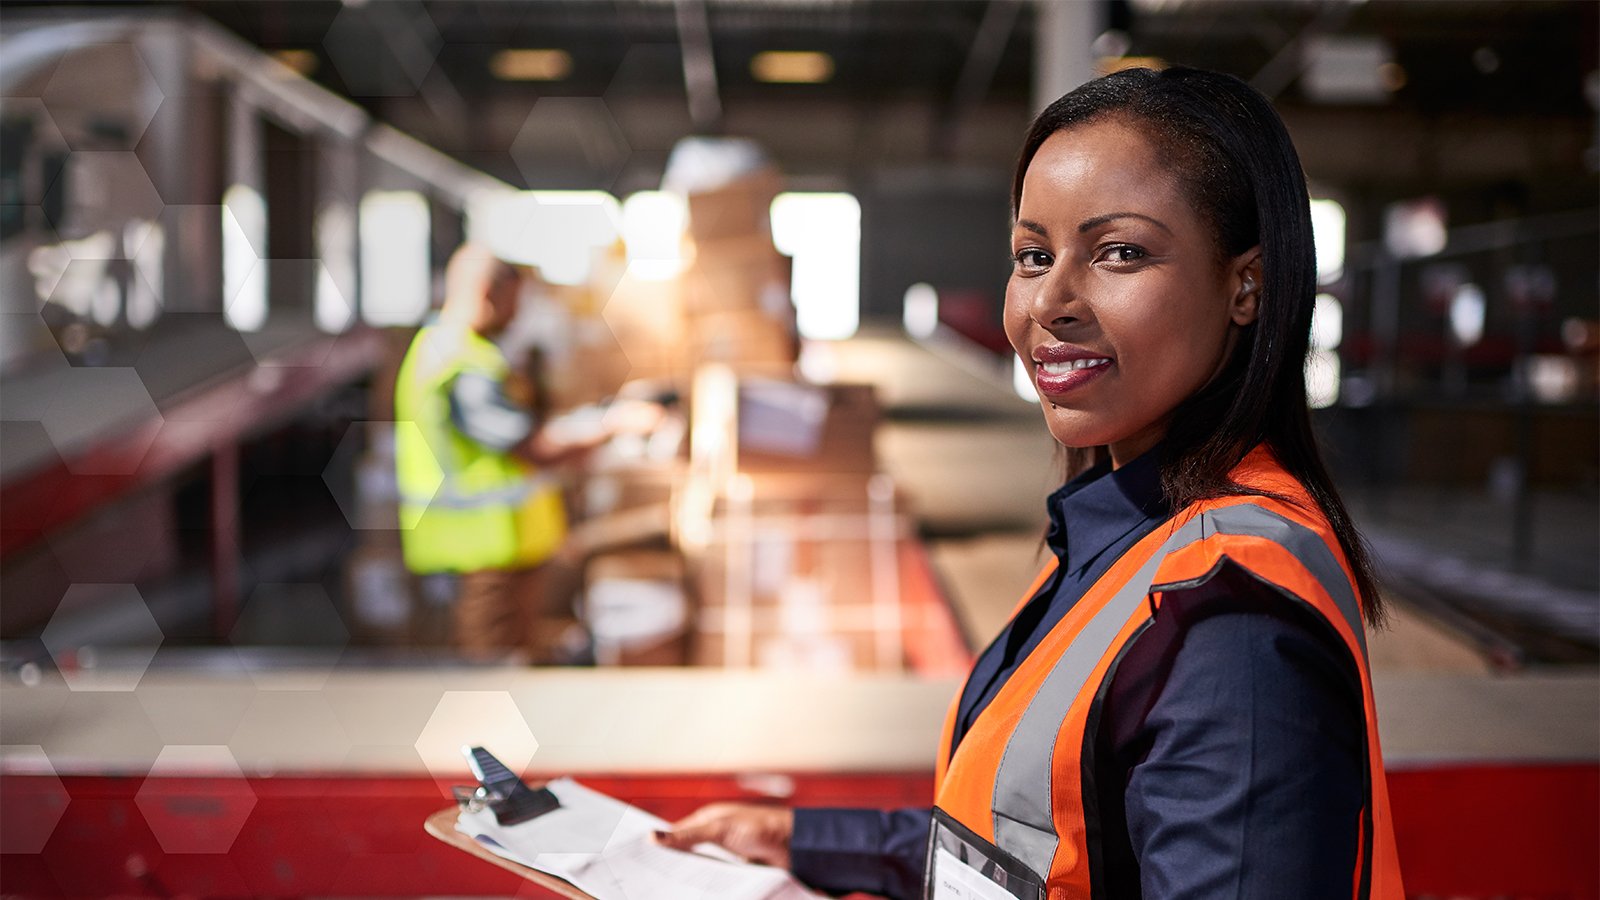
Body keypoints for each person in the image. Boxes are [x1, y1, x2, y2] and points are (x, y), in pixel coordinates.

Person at [654, 67, 1405, 898]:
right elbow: (1032, 852)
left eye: (1120, 252)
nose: (1049, 299)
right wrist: (803, 841)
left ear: (1245, 285)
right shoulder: (1126, 538)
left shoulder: (1229, 623)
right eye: (1032, 254)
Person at [394, 243, 606, 659]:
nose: (516, 315)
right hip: (481, 558)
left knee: (507, 670)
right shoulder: (463, 362)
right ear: (486, 293)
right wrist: (609, 426)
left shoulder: (453, 350)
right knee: (489, 676)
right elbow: (529, 446)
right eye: (513, 302)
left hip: (494, 553)